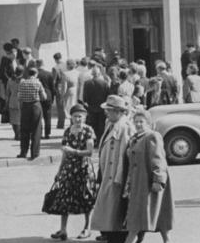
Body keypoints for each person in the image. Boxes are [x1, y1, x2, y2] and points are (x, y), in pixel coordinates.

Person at [44, 104, 97, 240]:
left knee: (86, 197)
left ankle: (87, 227)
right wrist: (59, 171)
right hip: (69, 168)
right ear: (71, 117)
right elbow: (64, 154)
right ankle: (63, 230)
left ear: (85, 117)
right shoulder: (68, 131)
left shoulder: (88, 131)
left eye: (80, 116)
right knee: (64, 197)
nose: (78, 119)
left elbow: (90, 152)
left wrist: (74, 151)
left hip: (84, 168)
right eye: (75, 116)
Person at [123, 107, 173, 243]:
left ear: (148, 123)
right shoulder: (134, 138)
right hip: (137, 183)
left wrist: (158, 180)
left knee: (156, 217)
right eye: (136, 122)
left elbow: (158, 159)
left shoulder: (152, 136)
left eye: (141, 122)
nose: (138, 124)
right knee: (138, 219)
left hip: (149, 183)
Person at [91, 95, 135, 243]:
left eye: (109, 110)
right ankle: (109, 233)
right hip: (107, 172)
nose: (106, 113)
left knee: (115, 208)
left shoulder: (124, 127)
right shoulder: (110, 123)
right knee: (108, 206)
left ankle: (116, 236)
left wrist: (119, 176)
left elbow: (124, 153)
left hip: (115, 174)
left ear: (118, 112)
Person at [18, 67, 47, 160]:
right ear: (36, 74)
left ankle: (23, 152)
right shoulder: (38, 83)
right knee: (36, 129)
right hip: (35, 106)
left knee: (24, 130)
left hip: (25, 106)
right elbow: (44, 97)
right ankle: (34, 152)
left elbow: (19, 97)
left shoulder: (22, 83)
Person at [82, 64, 110, 146]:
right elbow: (107, 95)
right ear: (99, 73)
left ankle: (93, 141)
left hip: (91, 107)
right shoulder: (104, 83)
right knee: (101, 125)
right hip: (102, 107)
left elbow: (85, 97)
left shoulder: (87, 83)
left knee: (92, 125)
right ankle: (100, 140)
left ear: (92, 74)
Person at [37, 59, 56, 139]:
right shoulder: (49, 74)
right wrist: (53, 96)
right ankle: (47, 133)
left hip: (38, 96)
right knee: (47, 116)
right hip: (48, 95)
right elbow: (52, 87)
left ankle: (39, 133)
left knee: (39, 116)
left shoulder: (36, 74)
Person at [6, 65, 23, 140]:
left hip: (12, 100)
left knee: (13, 119)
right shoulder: (22, 81)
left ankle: (16, 133)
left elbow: (7, 92)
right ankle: (19, 134)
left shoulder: (10, 80)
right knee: (19, 119)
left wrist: (6, 102)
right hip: (20, 100)